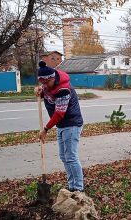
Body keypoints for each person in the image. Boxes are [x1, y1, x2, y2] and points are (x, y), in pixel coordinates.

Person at [35, 61, 84, 192]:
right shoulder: (48, 83)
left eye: (46, 83)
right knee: (64, 156)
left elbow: (59, 114)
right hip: (62, 125)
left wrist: (45, 129)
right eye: (42, 83)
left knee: (71, 156)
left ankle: (78, 188)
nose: (44, 85)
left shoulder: (63, 89)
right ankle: (71, 185)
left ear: (52, 78)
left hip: (71, 124)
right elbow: (45, 92)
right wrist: (40, 92)